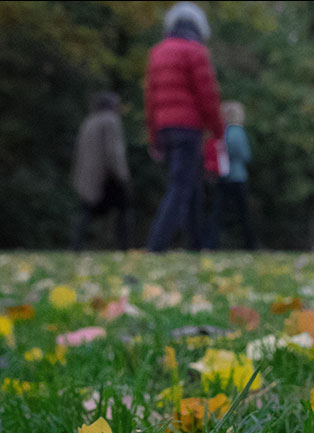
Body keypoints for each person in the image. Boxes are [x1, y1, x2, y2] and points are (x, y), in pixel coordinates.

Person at [144, 2, 224, 253]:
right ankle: (156, 245)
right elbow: (207, 94)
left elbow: (151, 98)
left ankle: (196, 245)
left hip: (166, 128)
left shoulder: (158, 52)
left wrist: (154, 136)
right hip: (188, 127)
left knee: (192, 184)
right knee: (181, 186)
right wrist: (218, 129)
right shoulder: (195, 51)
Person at [70, 92, 132, 251]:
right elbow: (114, 151)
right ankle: (123, 247)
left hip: (89, 178)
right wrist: (122, 174)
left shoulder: (89, 121)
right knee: (123, 212)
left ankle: (76, 246)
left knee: (86, 212)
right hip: (107, 176)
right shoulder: (111, 121)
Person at [203, 101, 255, 250]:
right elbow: (245, 155)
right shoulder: (238, 132)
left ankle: (210, 244)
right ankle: (250, 244)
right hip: (238, 177)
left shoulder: (221, 133)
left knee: (217, 214)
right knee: (244, 214)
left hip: (221, 176)